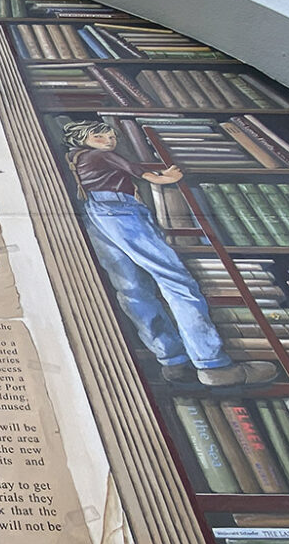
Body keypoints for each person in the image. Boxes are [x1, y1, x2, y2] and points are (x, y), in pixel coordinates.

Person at [64, 121, 276, 387]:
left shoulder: (76, 159)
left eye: (111, 135)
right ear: (82, 139)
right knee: (177, 282)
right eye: (99, 136)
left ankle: (173, 361)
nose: (108, 140)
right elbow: (137, 171)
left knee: (132, 289)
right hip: (122, 212)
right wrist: (166, 177)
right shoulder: (100, 155)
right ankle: (213, 365)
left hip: (95, 215)